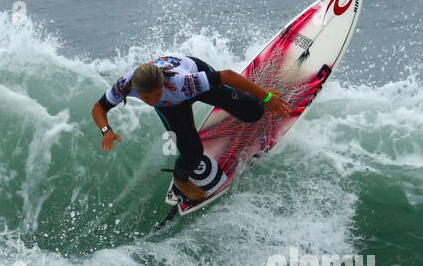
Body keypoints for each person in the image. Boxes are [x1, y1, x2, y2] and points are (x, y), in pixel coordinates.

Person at [92, 55, 289, 202]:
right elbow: (99, 107)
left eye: (156, 94)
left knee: (252, 112)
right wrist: (106, 130)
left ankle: (255, 95)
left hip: (191, 80)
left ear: (163, 85)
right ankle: (180, 179)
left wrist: (266, 97)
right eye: (147, 98)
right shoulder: (125, 86)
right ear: (137, 91)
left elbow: (227, 76)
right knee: (193, 154)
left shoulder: (184, 82)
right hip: (171, 106)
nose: (153, 101)